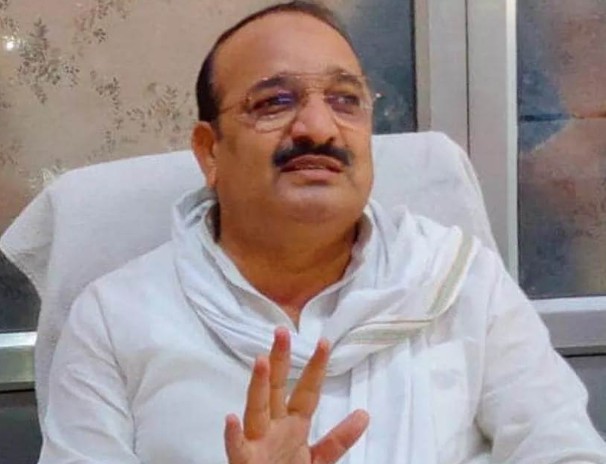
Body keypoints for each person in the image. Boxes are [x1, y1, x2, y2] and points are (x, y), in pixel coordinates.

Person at [38, 2, 606, 463]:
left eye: (345, 101)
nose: (317, 127)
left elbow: (566, 452)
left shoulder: (457, 281)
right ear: (210, 152)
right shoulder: (115, 320)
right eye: (274, 102)